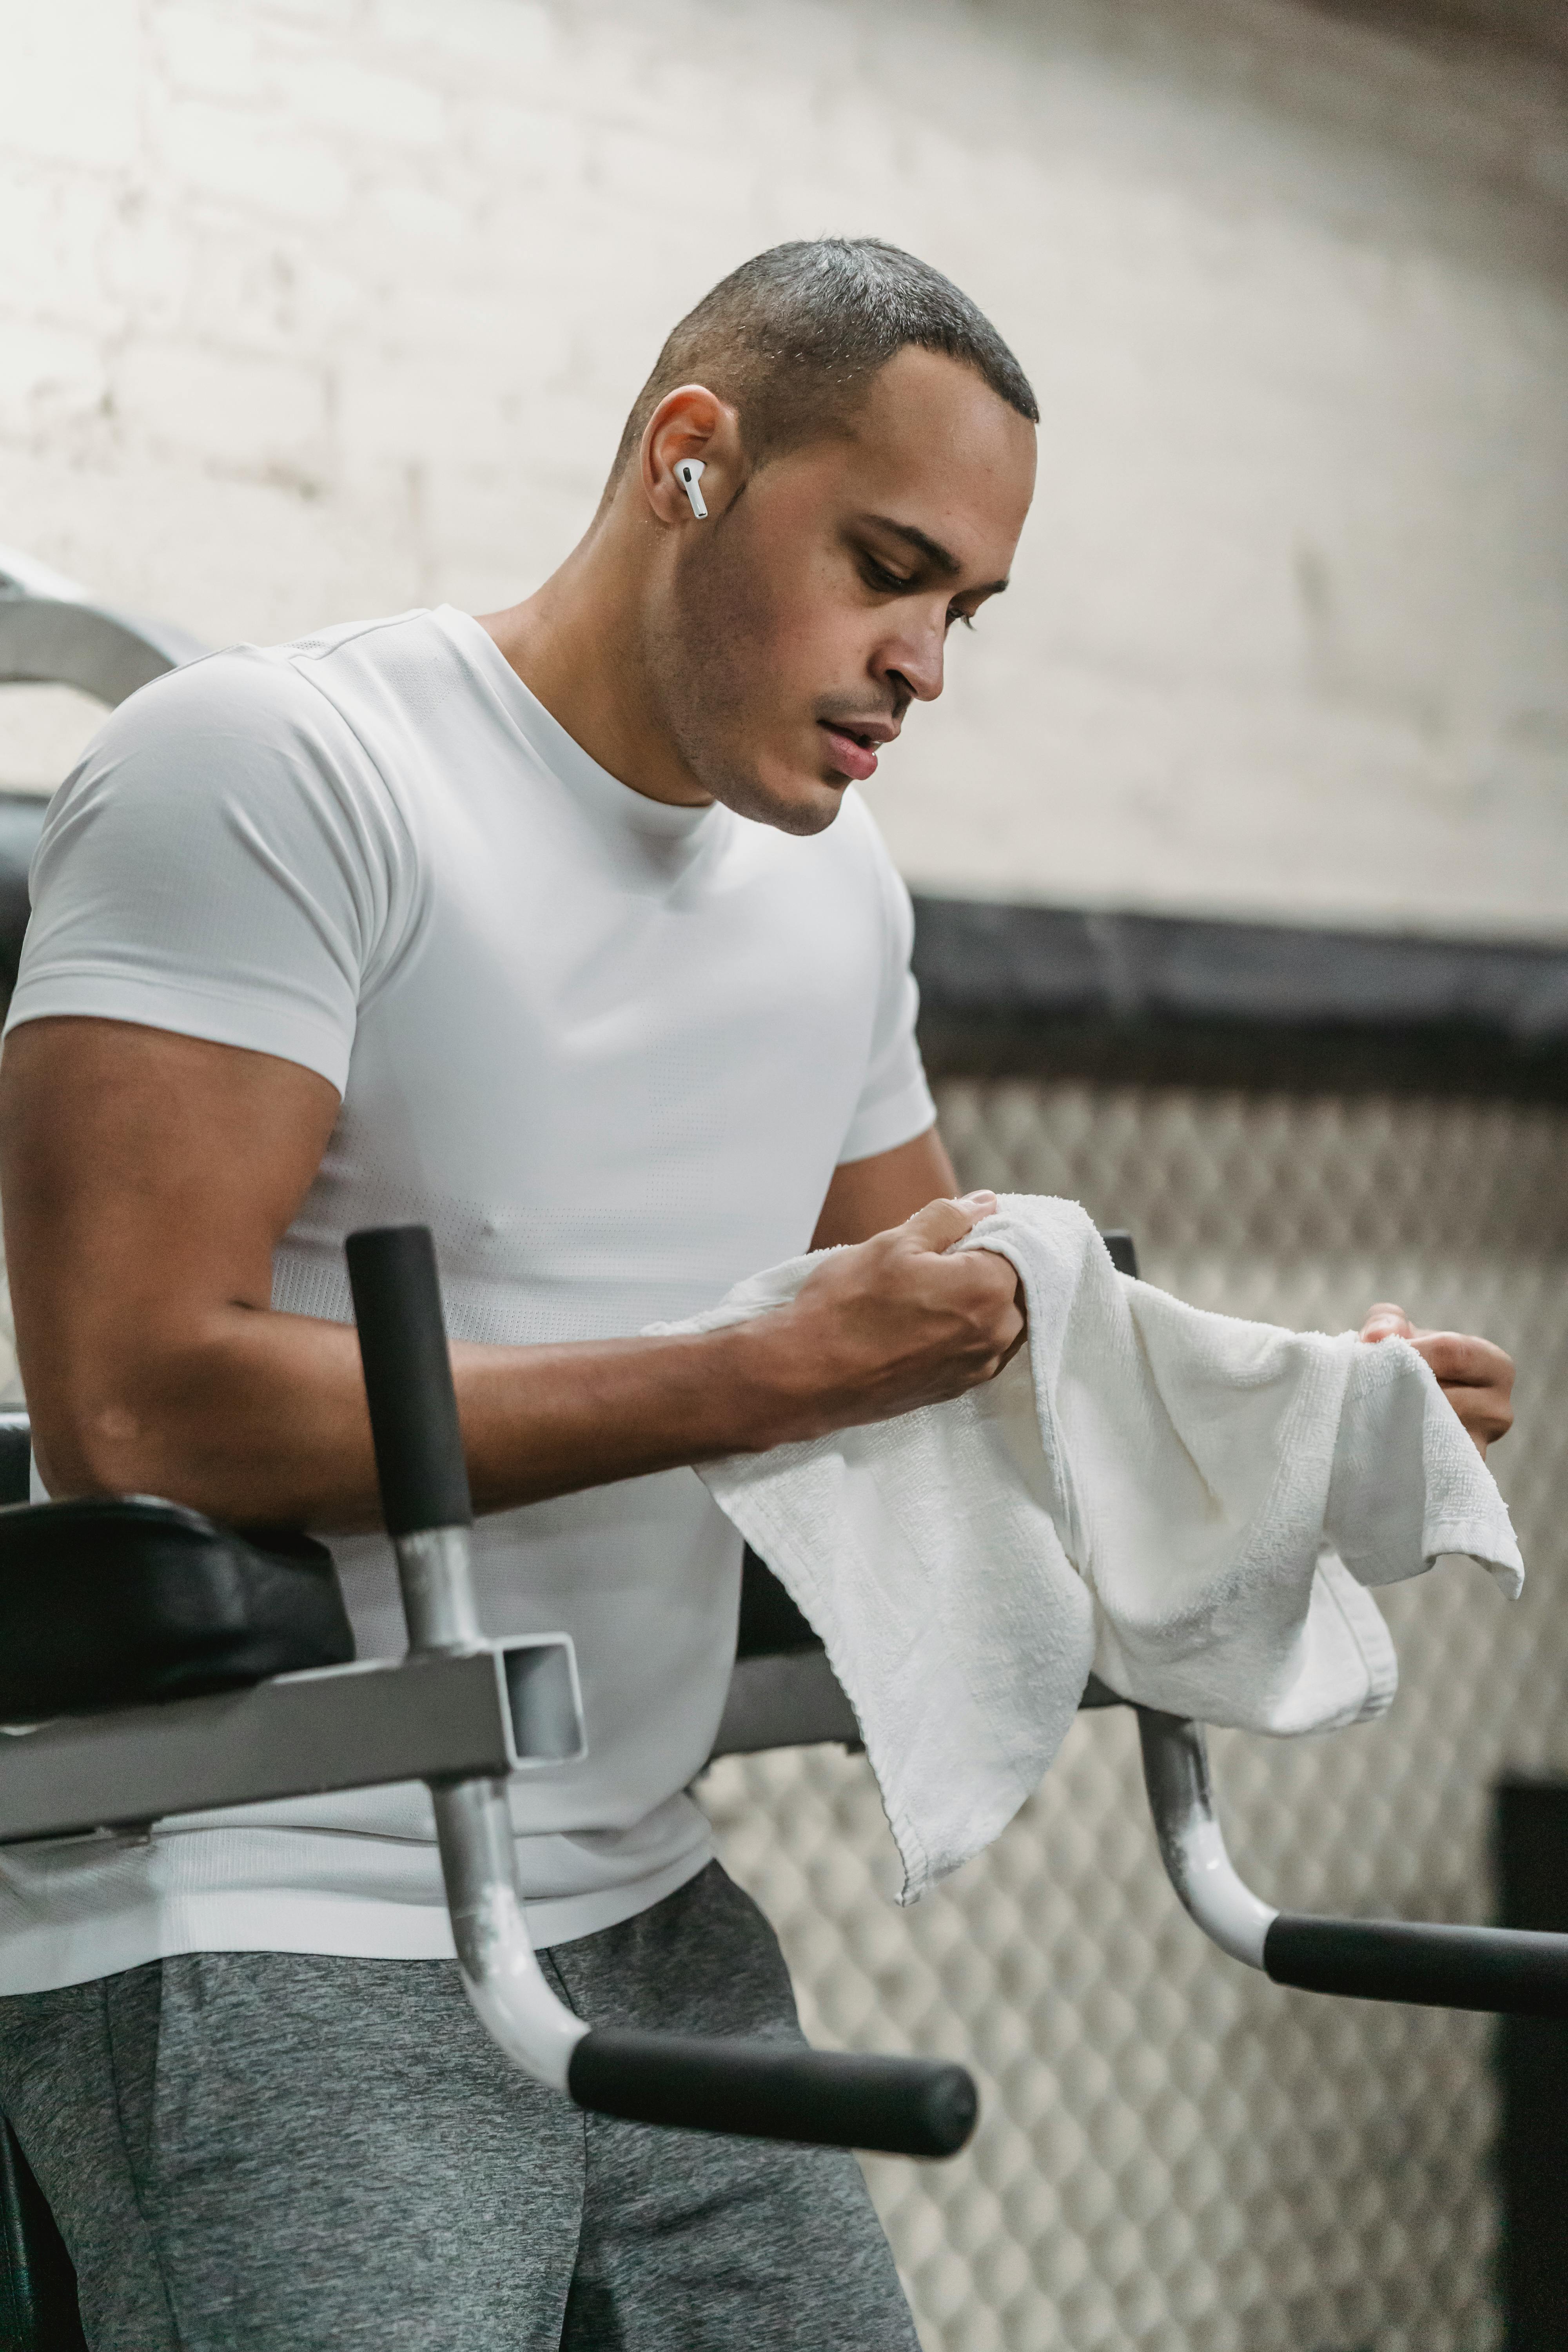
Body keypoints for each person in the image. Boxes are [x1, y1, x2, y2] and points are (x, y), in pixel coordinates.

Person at [0, 238, 1514, 2352]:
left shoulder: (832, 885)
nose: (925, 662)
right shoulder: (270, 768)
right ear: (691, 460)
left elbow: (950, 1338)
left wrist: (1288, 1428)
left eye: (963, 608)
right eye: (887, 564)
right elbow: (135, 1414)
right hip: (270, 1910)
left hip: (635, 1899)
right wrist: (744, 1371)